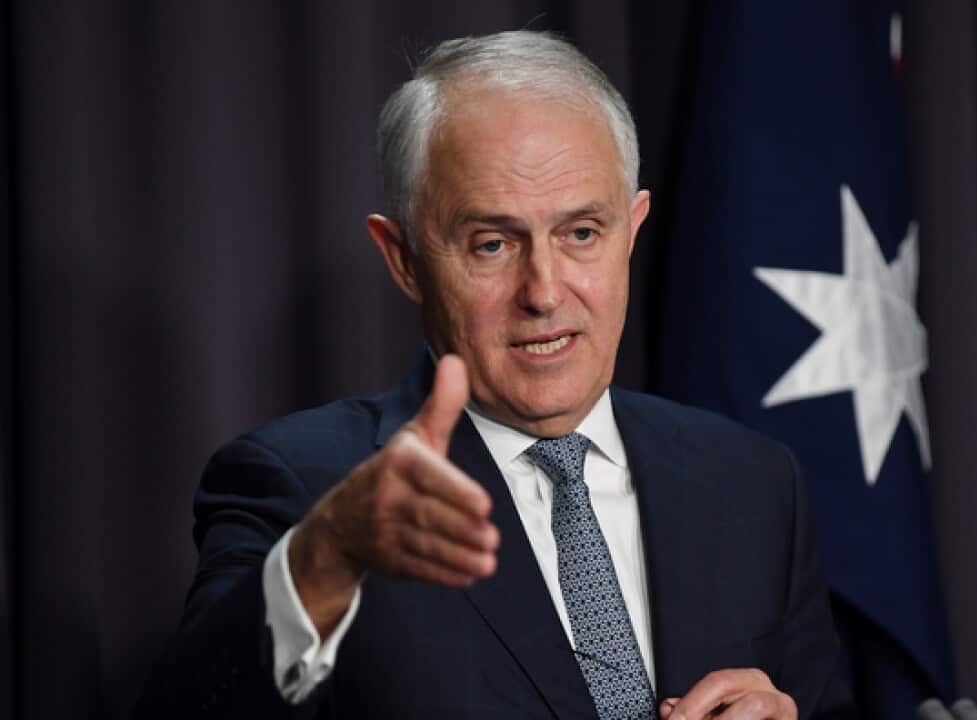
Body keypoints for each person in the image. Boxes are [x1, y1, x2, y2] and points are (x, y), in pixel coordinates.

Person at [136, 30, 854, 720]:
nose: (543, 290)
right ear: (404, 258)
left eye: (580, 233)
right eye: (491, 244)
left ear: (632, 231)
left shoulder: (756, 483)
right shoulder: (305, 490)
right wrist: (327, 556)